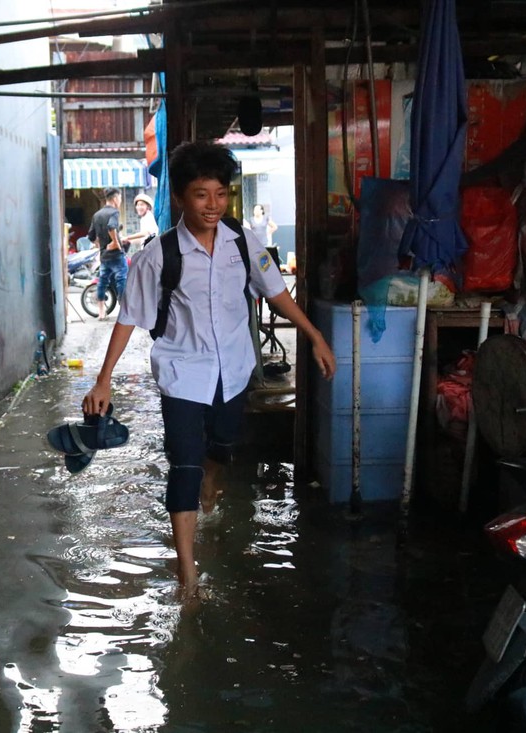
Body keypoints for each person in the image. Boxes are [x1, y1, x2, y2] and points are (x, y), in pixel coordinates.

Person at [83, 141, 337, 598]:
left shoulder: (242, 241)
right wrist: (103, 381)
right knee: (183, 466)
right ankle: (188, 574)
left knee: (221, 447)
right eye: (202, 195)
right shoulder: (159, 255)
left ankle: (213, 475)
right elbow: (128, 317)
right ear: (181, 197)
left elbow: (276, 291)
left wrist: (314, 335)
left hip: (235, 369)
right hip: (182, 372)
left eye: (221, 194)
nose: (213, 205)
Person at [88, 187, 127, 321]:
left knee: (102, 281)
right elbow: (111, 227)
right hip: (116, 255)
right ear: (115, 198)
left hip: (104, 255)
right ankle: (124, 310)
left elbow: (91, 236)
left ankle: (101, 312)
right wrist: (115, 242)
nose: (120, 201)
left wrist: (101, 245)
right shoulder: (114, 213)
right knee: (122, 279)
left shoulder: (97, 215)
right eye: (120, 198)